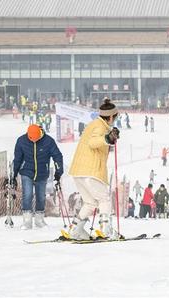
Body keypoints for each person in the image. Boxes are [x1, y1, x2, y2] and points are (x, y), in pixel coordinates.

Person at [67, 99, 121, 240]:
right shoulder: (100, 127)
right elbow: (93, 142)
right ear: (110, 117)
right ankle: (105, 230)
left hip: (79, 171)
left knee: (90, 203)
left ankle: (75, 229)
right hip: (91, 171)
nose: (115, 120)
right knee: (104, 199)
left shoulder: (93, 124)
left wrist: (108, 140)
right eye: (115, 117)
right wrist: (108, 138)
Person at [12, 124, 64, 230]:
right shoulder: (21, 141)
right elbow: (17, 159)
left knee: (41, 197)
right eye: (32, 140)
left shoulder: (48, 141)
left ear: (40, 134)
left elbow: (57, 156)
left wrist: (58, 172)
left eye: (36, 139)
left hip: (42, 173)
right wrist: (14, 175)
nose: (34, 141)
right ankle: (27, 221)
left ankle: (39, 220)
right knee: (27, 195)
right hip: (26, 172)